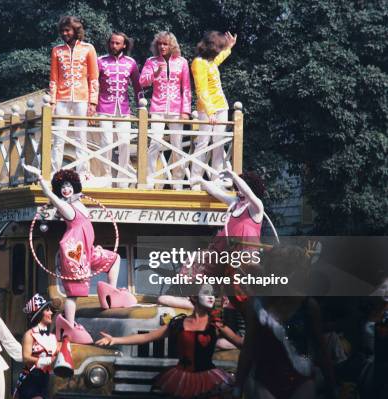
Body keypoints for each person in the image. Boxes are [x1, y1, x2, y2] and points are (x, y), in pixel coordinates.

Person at [23, 164, 136, 344]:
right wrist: (41, 179)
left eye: (69, 186)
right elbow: (51, 196)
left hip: (87, 250)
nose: (66, 190)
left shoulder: (78, 202)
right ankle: (68, 324)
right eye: (62, 187)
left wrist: (85, 177)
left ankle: (110, 293)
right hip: (74, 254)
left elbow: (88, 186)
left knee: (114, 259)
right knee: (73, 294)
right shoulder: (66, 208)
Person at [96, 284, 241, 398]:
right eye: (206, 293)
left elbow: (239, 342)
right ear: (194, 297)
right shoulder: (177, 324)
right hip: (181, 379)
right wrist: (115, 339)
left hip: (208, 378)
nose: (211, 297)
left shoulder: (216, 324)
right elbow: (146, 337)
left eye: (213, 294)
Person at [158, 169, 265, 310]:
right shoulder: (235, 204)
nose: (238, 192)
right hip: (225, 250)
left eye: (239, 189)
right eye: (236, 189)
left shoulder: (256, 207)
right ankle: (193, 297)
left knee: (236, 283)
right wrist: (203, 182)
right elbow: (216, 192)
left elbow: (249, 193)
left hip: (243, 255)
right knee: (198, 259)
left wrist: (234, 176)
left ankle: (229, 304)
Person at [234, 294, 337, 399]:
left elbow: (321, 349)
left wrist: (332, 387)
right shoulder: (256, 305)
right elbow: (248, 349)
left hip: (301, 380)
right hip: (266, 380)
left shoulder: (308, 306)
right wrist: (237, 389)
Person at [139, 31, 191, 190]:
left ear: (172, 45)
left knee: (177, 145)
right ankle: (149, 179)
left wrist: (186, 111)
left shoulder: (182, 62)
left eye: (165, 44)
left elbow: (186, 88)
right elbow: (142, 82)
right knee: (155, 142)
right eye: (159, 44)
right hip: (157, 107)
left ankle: (177, 182)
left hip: (176, 108)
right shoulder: (151, 61)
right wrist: (155, 73)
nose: (162, 46)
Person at [49, 16, 99, 174]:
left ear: (76, 31)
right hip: (62, 99)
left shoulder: (88, 48)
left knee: (81, 136)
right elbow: (53, 79)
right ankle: (54, 172)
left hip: (82, 98)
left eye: (68, 30)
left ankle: (83, 172)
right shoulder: (57, 50)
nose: (65, 33)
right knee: (58, 137)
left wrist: (93, 103)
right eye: (62, 31)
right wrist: (52, 102)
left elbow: (93, 77)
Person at [94, 31, 143, 187]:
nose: (114, 45)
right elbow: (93, 85)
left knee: (125, 142)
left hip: (123, 108)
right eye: (112, 42)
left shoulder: (131, 63)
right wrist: (92, 106)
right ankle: (106, 176)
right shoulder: (100, 61)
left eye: (117, 43)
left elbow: (137, 86)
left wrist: (141, 105)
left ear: (124, 45)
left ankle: (122, 179)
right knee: (106, 142)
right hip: (103, 107)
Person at [190, 32, 238, 188]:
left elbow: (219, 59)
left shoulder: (210, 62)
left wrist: (229, 47)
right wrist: (210, 112)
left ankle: (216, 178)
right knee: (203, 142)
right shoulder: (198, 62)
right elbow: (201, 90)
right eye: (219, 47)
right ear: (211, 46)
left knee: (218, 143)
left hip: (221, 106)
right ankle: (195, 179)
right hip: (206, 109)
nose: (219, 50)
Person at [16, 294, 61, 399]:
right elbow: (26, 358)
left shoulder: (52, 336)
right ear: (39, 314)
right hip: (31, 378)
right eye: (47, 310)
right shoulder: (29, 334)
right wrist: (46, 360)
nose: (51, 313)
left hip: (46, 379)